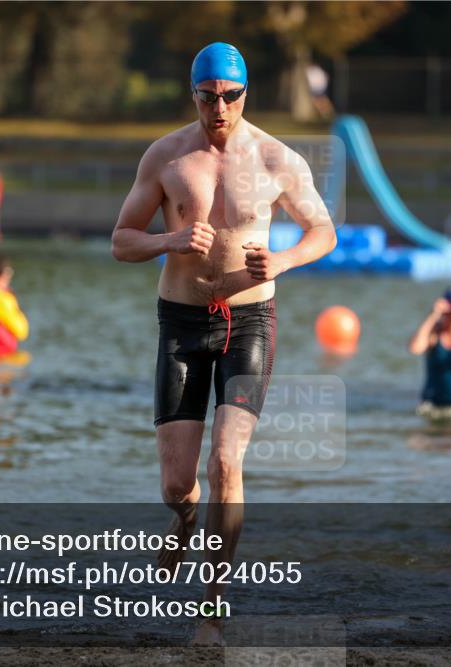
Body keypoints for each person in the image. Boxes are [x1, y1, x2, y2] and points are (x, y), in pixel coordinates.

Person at [109, 42, 336, 645]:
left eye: (230, 97)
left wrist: (281, 260)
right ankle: (183, 519)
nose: (219, 108)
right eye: (208, 97)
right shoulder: (166, 156)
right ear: (194, 96)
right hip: (181, 323)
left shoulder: (275, 158)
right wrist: (171, 240)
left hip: (247, 324)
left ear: (244, 95)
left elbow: (324, 232)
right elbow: (122, 240)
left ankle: (211, 605)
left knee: (227, 463)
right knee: (178, 484)